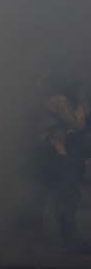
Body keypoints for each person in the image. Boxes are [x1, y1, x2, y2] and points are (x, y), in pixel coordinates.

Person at [32, 79, 91, 253]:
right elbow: (77, 124)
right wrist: (81, 104)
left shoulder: (52, 101)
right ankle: (69, 242)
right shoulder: (60, 101)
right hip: (57, 155)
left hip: (54, 154)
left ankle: (43, 241)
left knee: (56, 198)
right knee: (66, 198)